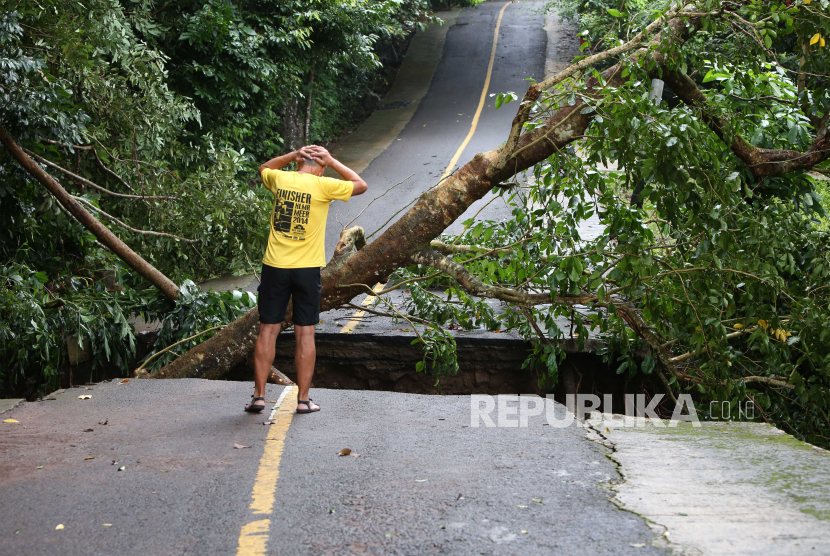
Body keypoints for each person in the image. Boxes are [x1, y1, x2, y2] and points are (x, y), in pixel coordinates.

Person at [245, 145, 367, 414]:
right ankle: (303, 400)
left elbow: (264, 167)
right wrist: (334, 160)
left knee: (268, 330)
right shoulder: (324, 185)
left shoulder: (281, 179)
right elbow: (360, 185)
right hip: (307, 270)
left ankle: (259, 397)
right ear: (321, 167)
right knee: (305, 332)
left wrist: (290, 156)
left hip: (275, 266)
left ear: (299, 163)